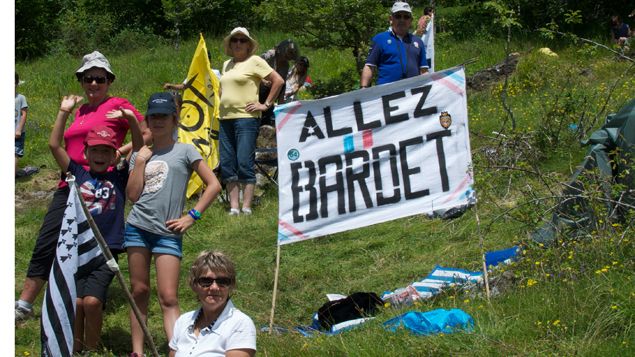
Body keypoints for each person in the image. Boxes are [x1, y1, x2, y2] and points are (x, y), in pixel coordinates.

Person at [15, 50, 150, 322]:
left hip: (102, 183)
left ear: (109, 80)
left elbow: (145, 134)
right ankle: (24, 304)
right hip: (71, 181)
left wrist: (118, 154)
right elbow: (63, 144)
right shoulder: (82, 110)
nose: (93, 84)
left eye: (100, 78)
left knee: (94, 240)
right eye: (88, 78)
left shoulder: (119, 103)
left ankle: (88, 292)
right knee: (49, 237)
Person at [125, 92, 221, 356]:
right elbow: (132, 196)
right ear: (147, 120)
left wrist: (192, 216)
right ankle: (137, 351)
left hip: (168, 233)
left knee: (168, 296)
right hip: (137, 229)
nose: (158, 121)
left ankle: (177, 350)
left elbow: (213, 185)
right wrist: (141, 161)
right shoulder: (140, 154)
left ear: (174, 119)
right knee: (140, 290)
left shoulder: (185, 150)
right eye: (153, 116)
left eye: (163, 116)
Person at [49, 94, 144, 353]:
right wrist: (63, 112)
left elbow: (138, 148)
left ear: (114, 155)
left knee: (91, 302)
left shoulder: (120, 177)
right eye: (95, 150)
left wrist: (131, 121)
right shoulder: (77, 173)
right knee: (77, 303)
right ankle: (77, 347)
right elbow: (55, 145)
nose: (100, 155)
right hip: (78, 248)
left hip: (107, 248)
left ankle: (91, 349)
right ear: (86, 153)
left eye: (106, 150)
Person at [219, 27, 284, 215]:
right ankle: (233, 207)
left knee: (244, 161)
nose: (238, 43)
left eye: (242, 40)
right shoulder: (226, 65)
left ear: (249, 45)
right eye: (235, 40)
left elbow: (277, 80)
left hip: (246, 119)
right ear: (230, 44)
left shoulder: (255, 61)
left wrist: (265, 104)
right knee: (227, 162)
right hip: (225, 119)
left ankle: (246, 207)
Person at [168, 251, 256, 357]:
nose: (214, 287)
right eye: (206, 281)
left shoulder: (240, 324)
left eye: (222, 281)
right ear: (194, 284)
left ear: (231, 285)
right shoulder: (183, 321)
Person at [360, 1, 428, 88]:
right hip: (385, 94)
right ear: (391, 19)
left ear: (410, 21)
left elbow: (424, 71)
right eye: (398, 16)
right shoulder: (380, 39)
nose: (402, 20)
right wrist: (363, 88)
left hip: (412, 95)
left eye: (406, 17)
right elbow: (369, 67)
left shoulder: (418, 42)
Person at [259, 39, 300, 125]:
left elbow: (282, 85)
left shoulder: (285, 65)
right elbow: (254, 68)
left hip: (270, 91)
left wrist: (281, 107)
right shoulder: (269, 55)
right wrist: (263, 80)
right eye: (288, 54)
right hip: (259, 86)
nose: (287, 58)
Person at [15, 72, 28, 176]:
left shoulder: (20, 98)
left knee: (15, 153)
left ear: (16, 83)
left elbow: (24, 114)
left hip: (17, 132)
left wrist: (19, 129)